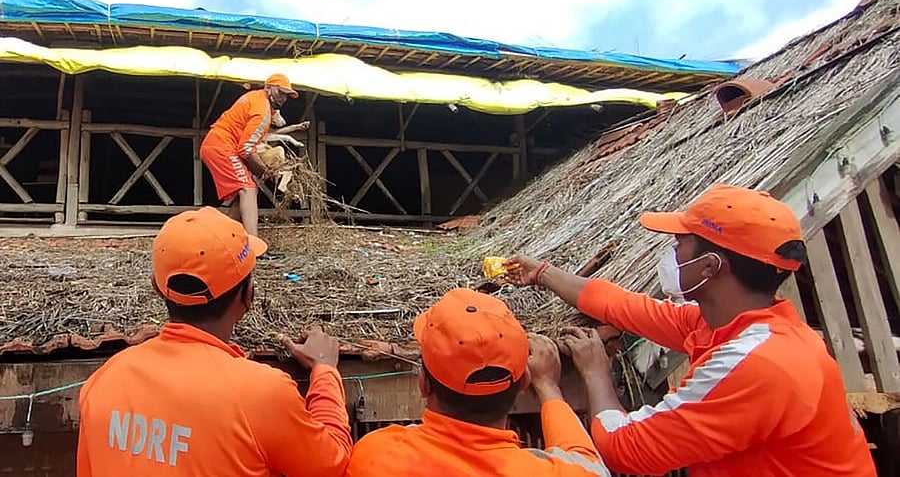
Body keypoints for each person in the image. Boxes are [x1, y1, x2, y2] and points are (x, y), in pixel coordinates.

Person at [505, 184, 877, 476]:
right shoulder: (727, 325)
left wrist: (594, 372)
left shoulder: (759, 364)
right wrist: (541, 273)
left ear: (710, 267)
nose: (672, 252)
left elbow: (624, 448)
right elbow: (621, 306)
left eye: (680, 242)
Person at [76, 207, 352, 476]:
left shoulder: (105, 379)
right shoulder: (262, 392)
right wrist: (325, 370)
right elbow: (331, 464)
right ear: (249, 296)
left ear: (157, 287)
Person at [344, 287, 612, 477]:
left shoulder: (376, 456)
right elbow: (589, 463)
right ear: (524, 381)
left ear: (423, 383)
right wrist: (549, 388)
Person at [200, 73, 304, 260]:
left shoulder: (258, 101)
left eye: (286, 95)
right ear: (268, 88)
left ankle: (218, 241)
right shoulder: (261, 110)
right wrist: (266, 173)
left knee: (243, 195)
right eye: (280, 92)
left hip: (220, 145)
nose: (283, 98)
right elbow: (246, 150)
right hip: (221, 146)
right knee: (248, 189)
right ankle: (255, 248)